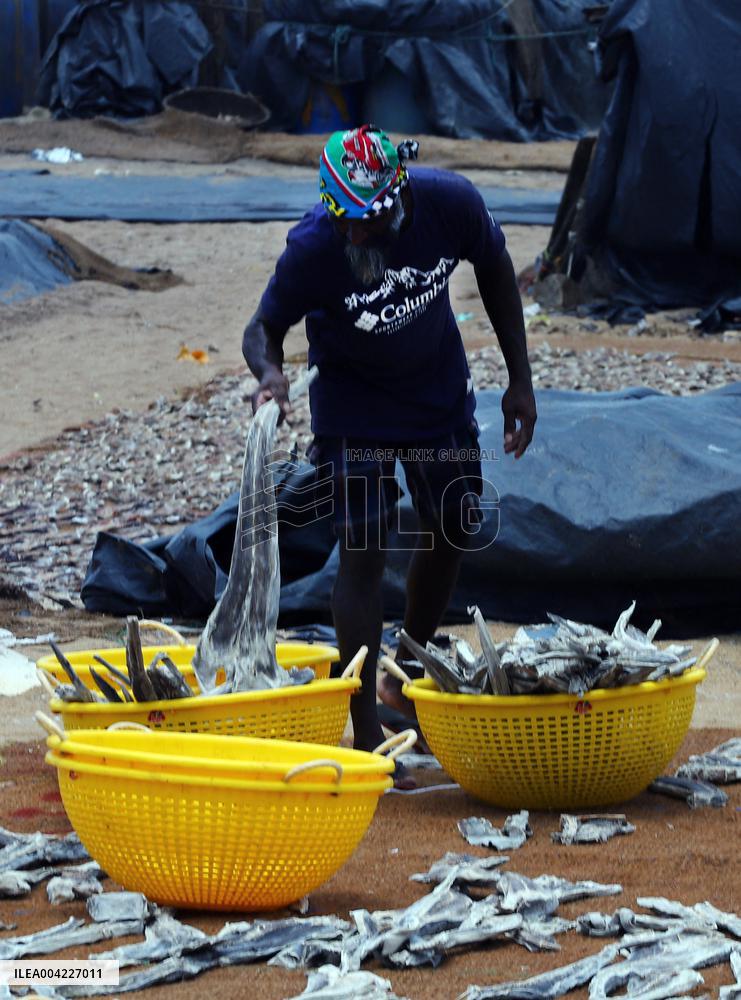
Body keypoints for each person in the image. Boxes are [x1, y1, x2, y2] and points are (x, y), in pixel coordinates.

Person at [243, 124, 536, 783]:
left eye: (367, 225)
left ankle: (406, 674)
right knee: (364, 546)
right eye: (342, 222)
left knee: (456, 521)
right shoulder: (314, 247)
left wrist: (519, 380)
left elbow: (494, 267)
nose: (354, 237)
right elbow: (263, 326)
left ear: (397, 198)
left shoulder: (448, 202)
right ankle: (368, 731)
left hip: (434, 389)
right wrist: (269, 374)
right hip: (353, 405)